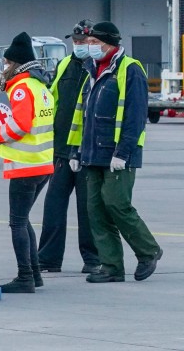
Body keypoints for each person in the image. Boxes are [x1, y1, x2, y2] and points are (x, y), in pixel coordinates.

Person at [66, 21, 163, 283]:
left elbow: (135, 114)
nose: (91, 46)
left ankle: (148, 251)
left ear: (110, 44)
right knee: (95, 209)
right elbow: (82, 116)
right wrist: (75, 151)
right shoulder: (92, 70)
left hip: (118, 154)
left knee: (116, 203)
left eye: (95, 43)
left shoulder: (129, 69)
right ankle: (111, 266)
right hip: (92, 153)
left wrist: (124, 151)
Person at [0, 32, 55, 294]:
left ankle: (25, 277)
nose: (4, 68)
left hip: (25, 164)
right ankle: (35, 274)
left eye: (6, 63)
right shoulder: (41, 87)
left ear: (16, 63)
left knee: (17, 222)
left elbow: (20, 125)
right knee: (24, 220)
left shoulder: (21, 89)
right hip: (43, 164)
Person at [37, 20, 101, 274]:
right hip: (62, 149)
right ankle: (48, 259)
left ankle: (93, 259)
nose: (78, 45)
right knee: (53, 206)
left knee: (88, 209)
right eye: (75, 41)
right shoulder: (65, 64)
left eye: (83, 42)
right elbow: (52, 100)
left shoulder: (101, 69)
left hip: (88, 151)